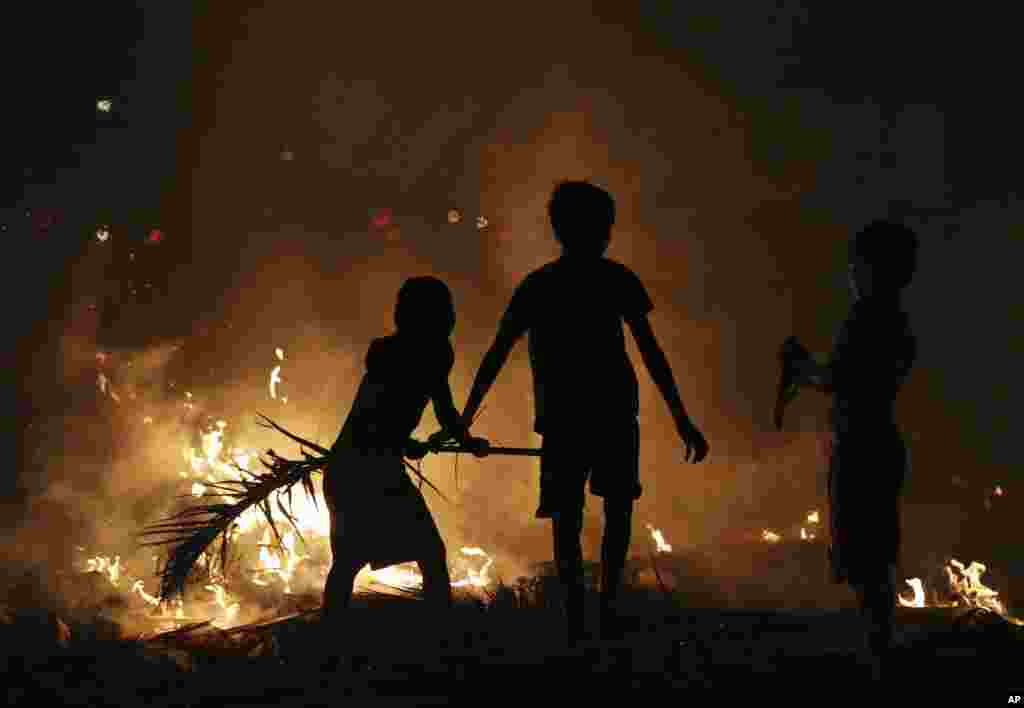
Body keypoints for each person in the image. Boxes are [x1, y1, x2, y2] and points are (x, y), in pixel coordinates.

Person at [445, 180, 709, 644]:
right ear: (603, 229)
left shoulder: (542, 284)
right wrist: (680, 416)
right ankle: (603, 610)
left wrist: (465, 418)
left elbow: (497, 352)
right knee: (615, 511)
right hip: (609, 413)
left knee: (570, 519)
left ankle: (581, 618)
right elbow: (650, 354)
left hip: (569, 417)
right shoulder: (612, 279)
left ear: (558, 229)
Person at [780, 219, 918, 680]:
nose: (851, 274)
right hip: (880, 443)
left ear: (869, 267)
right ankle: (880, 653)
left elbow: (840, 379)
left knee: (866, 558)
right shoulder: (896, 320)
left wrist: (802, 369)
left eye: (856, 264)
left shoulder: (867, 318)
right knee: (874, 555)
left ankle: (879, 660)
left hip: (862, 447)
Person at [322, 276, 489, 626]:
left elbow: (434, 411)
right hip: (363, 469)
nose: (451, 318)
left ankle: (333, 634)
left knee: (359, 561)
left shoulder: (419, 353)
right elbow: (377, 416)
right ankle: (439, 637)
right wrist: (462, 441)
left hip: (364, 465)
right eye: (445, 311)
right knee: (421, 554)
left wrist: (460, 441)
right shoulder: (392, 354)